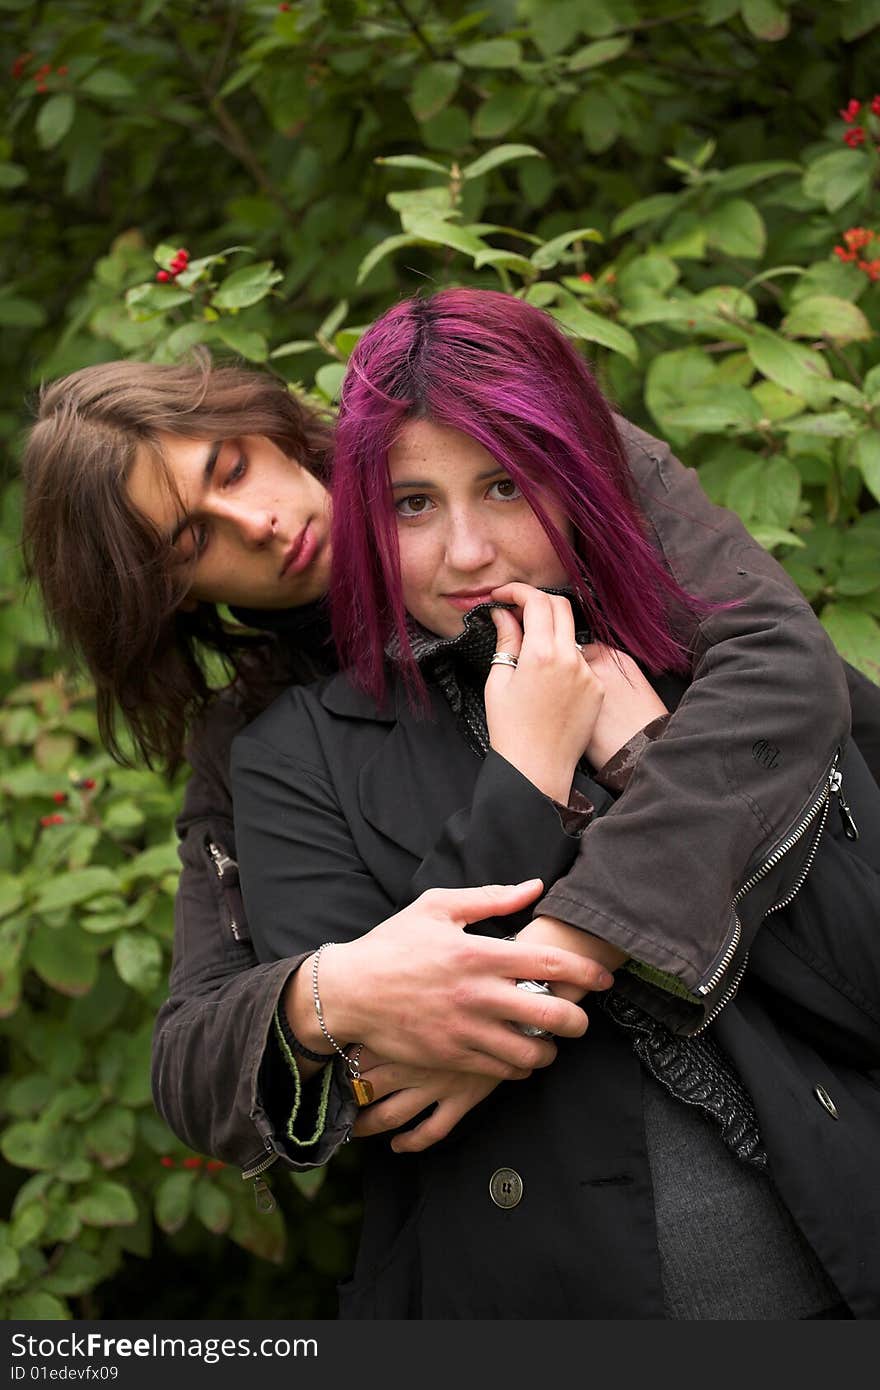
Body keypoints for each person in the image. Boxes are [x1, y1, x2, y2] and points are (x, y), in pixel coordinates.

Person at [20, 310, 880, 1314]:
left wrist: (567, 931)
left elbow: (778, 664)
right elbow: (210, 1054)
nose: (255, 521)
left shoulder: (500, 438)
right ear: (163, 593)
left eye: (228, 468)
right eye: (193, 536)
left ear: (257, 419)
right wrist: (328, 997)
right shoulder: (269, 739)